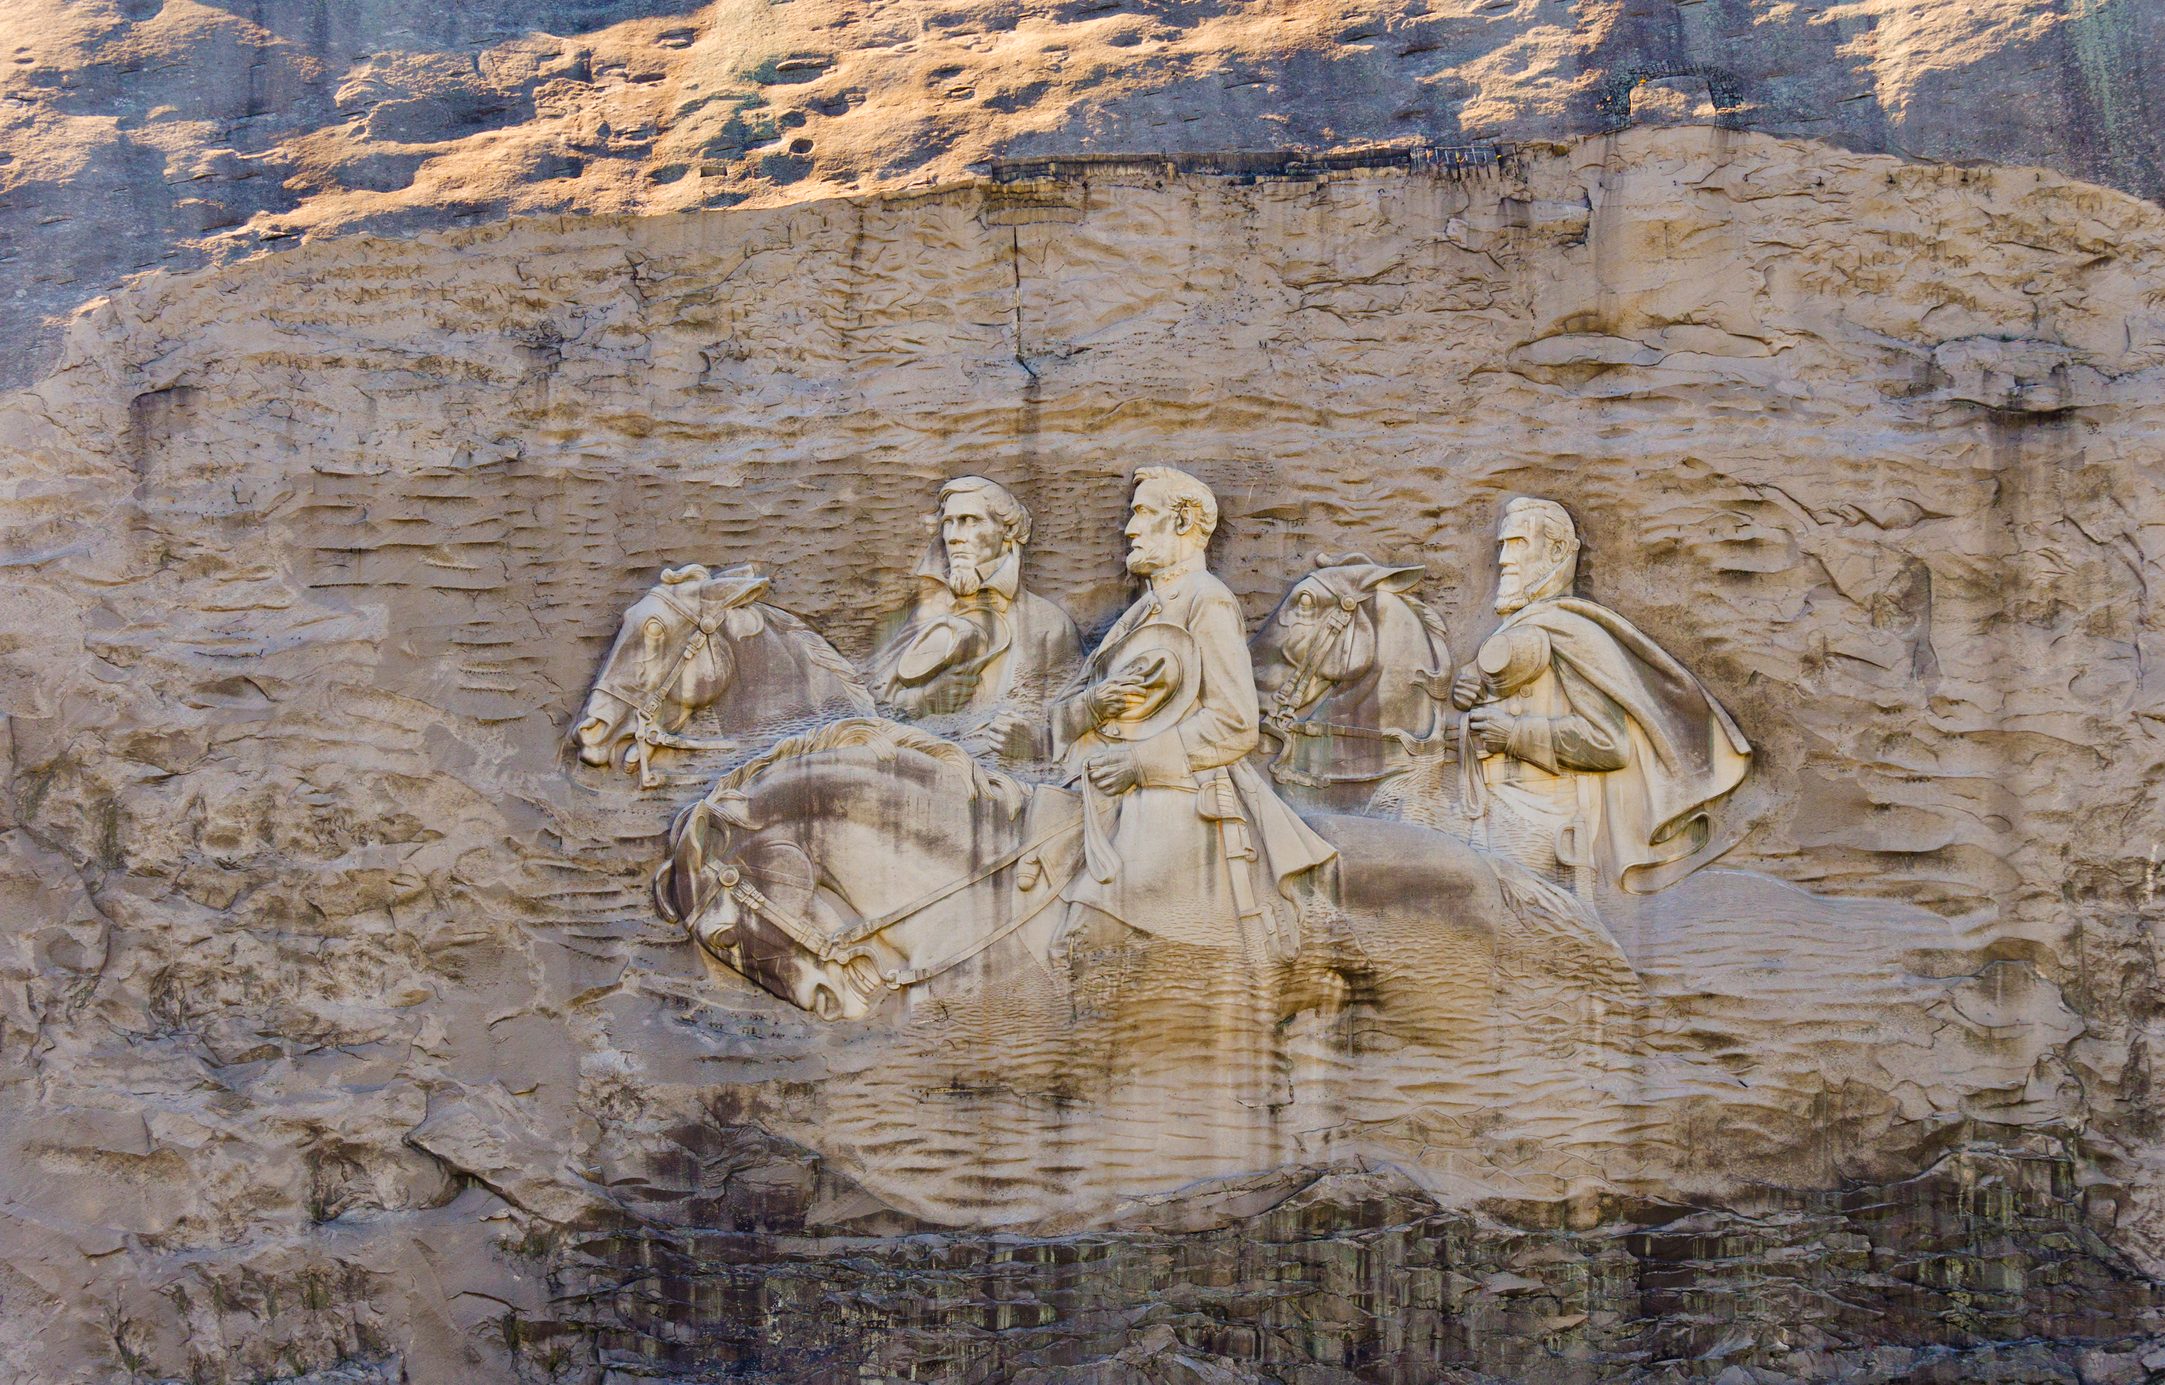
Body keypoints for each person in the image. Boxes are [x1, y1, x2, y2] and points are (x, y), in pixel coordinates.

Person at [1052, 467, 1337, 954]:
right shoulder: (1143, 609)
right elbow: (1075, 703)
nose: (1129, 529)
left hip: (1179, 790)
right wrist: (1091, 706)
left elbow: (1235, 722)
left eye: (1143, 513)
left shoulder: (1206, 599)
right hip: (1100, 782)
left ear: (1184, 523)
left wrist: (1139, 764)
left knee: (1085, 935)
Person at [1449, 497, 1752, 894]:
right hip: (1484, 810)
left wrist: (1514, 734)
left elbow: (1609, 744)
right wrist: (1468, 693)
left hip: (1541, 826)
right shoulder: (1516, 632)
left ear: (1557, 551)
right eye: (1503, 545)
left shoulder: (1574, 631)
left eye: (1519, 543)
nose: (1505, 559)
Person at [869, 476, 1082, 764]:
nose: (955, 536)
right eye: (949, 523)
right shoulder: (927, 612)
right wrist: (925, 699)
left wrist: (1033, 740)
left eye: (970, 521)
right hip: (923, 764)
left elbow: (1072, 725)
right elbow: (871, 701)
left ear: (1006, 531)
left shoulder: (1048, 624)